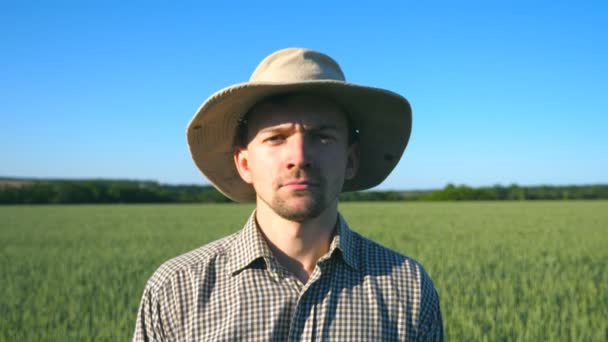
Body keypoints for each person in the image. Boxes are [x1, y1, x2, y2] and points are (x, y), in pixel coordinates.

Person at [133, 48, 443, 341]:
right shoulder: (176, 289)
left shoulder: (408, 287)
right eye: (276, 138)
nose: (299, 156)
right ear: (244, 164)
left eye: (322, 137)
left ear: (351, 160)